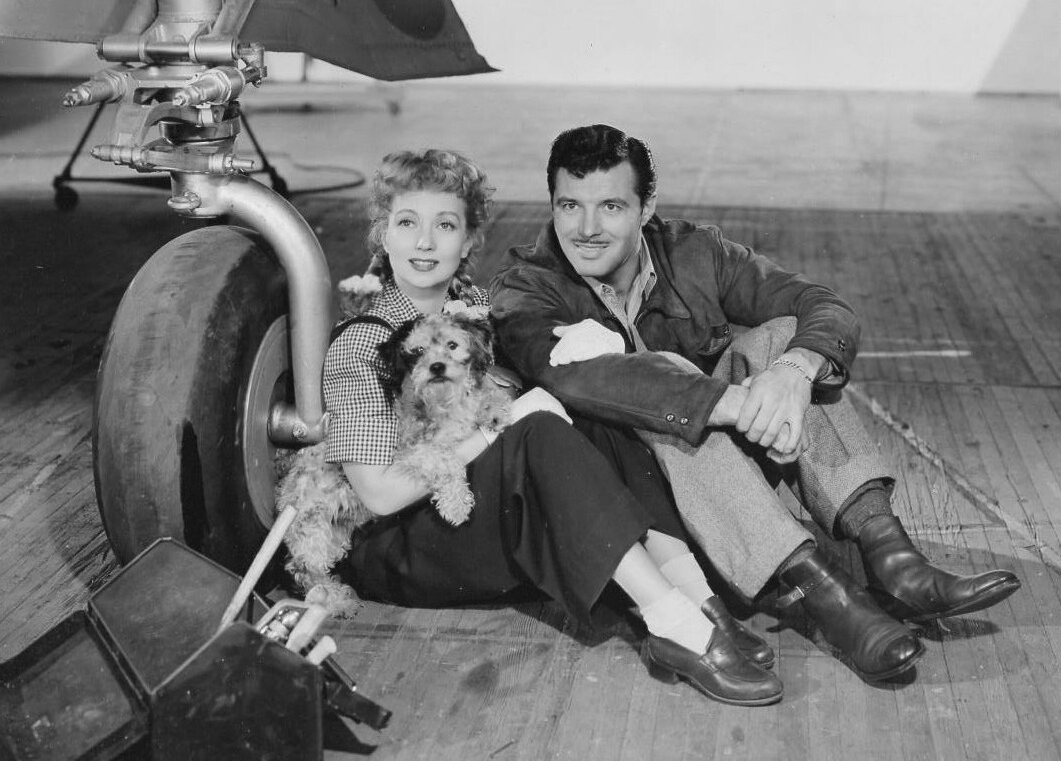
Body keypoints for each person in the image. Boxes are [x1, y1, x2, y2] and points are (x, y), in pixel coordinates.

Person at [489, 124, 1021, 684]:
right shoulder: (525, 286)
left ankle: (892, 558)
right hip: (640, 514)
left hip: (728, 487)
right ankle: (829, 598)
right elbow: (584, 378)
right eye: (569, 206)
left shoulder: (695, 252)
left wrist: (794, 373)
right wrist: (729, 402)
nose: (586, 229)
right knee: (662, 383)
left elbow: (822, 305)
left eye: (611, 206)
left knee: (785, 338)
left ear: (647, 208)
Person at [321, 148, 784, 707]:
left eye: (444, 225)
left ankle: (697, 600)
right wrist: (497, 431)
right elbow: (377, 495)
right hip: (405, 548)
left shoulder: (477, 309)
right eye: (406, 224)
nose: (424, 243)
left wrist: (578, 352)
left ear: (468, 241)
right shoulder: (362, 344)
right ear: (382, 235)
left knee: (593, 412)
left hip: (473, 513)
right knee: (536, 432)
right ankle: (672, 624)